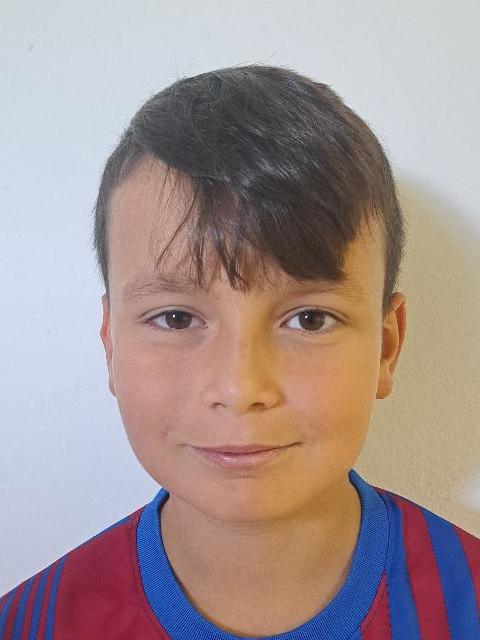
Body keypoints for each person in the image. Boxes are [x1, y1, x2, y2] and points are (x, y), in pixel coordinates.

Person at [1, 64, 479, 640]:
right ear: (111, 346)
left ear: (386, 346)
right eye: (176, 318)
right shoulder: (30, 623)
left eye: (309, 319)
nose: (240, 387)